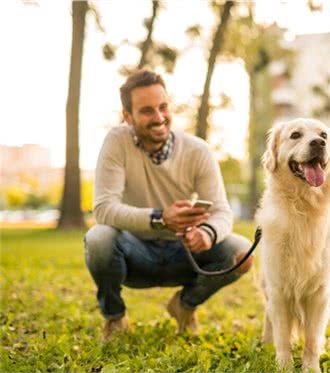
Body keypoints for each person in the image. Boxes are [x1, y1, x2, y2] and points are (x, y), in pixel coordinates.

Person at [84, 70, 253, 341]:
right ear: (127, 117)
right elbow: (103, 208)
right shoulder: (117, 142)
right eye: (147, 111)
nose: (159, 118)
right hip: (134, 253)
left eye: (163, 107)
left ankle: (185, 305)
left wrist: (206, 234)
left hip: (183, 254)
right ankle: (115, 318)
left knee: (242, 252)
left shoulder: (197, 150)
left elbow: (222, 211)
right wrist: (160, 217)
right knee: (98, 238)